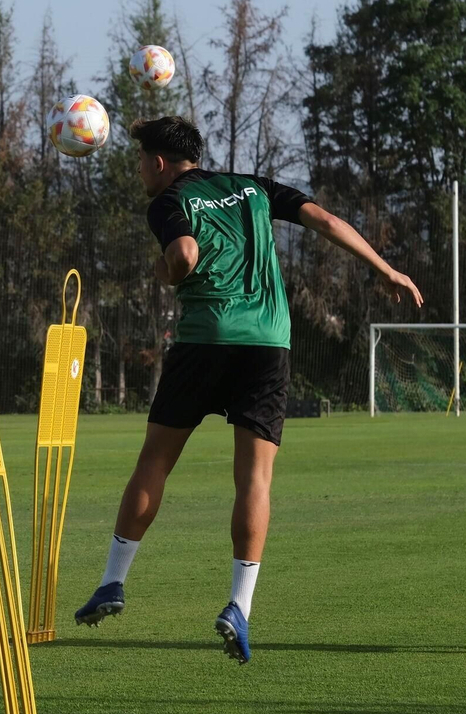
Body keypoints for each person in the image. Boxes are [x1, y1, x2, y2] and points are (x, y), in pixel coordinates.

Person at [71, 116, 422, 664]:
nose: (140, 170)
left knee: (155, 463)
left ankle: (113, 582)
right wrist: (385, 269)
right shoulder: (253, 186)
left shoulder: (168, 200)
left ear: (159, 163)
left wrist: (167, 272)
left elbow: (184, 257)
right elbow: (325, 220)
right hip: (266, 343)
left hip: (204, 338)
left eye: (141, 160)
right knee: (254, 479)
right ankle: (239, 605)